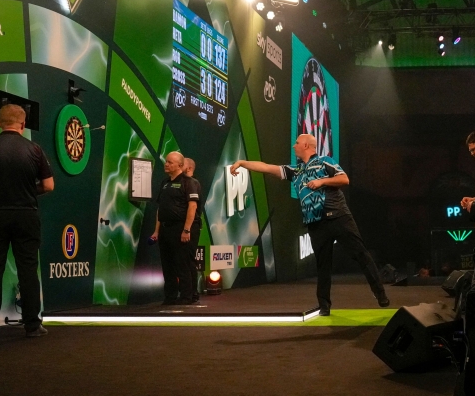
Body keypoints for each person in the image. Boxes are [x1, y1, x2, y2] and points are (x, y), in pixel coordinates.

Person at [231, 134, 389, 315]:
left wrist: (322, 181)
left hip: (338, 217)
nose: (294, 146)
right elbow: (267, 168)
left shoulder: (324, 162)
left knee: (361, 254)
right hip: (315, 223)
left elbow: (344, 179)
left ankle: (380, 293)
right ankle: (324, 306)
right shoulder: (296, 170)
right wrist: (242, 163)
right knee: (323, 265)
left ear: (306, 145)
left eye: (297, 143)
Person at [0, 104, 54, 339]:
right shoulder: (34, 149)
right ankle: (32, 325)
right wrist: (28, 190)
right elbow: (48, 185)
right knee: (28, 269)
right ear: (23, 124)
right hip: (26, 215)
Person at [151, 152, 199, 305]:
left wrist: (186, 230)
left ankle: (186, 296)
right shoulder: (164, 183)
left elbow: (192, 207)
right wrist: (156, 231)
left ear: (180, 165)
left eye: (170, 162)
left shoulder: (189, 182)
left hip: (180, 228)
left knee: (183, 264)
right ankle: (170, 296)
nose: (166, 164)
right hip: (165, 229)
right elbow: (160, 208)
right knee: (167, 265)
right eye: (166, 161)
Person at [183, 157, 203, 303]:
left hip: (190, 227)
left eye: (181, 164)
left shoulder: (193, 183)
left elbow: (193, 207)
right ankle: (185, 293)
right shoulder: (173, 183)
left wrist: (187, 229)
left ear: (189, 168)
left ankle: (192, 293)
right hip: (181, 227)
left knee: (188, 260)